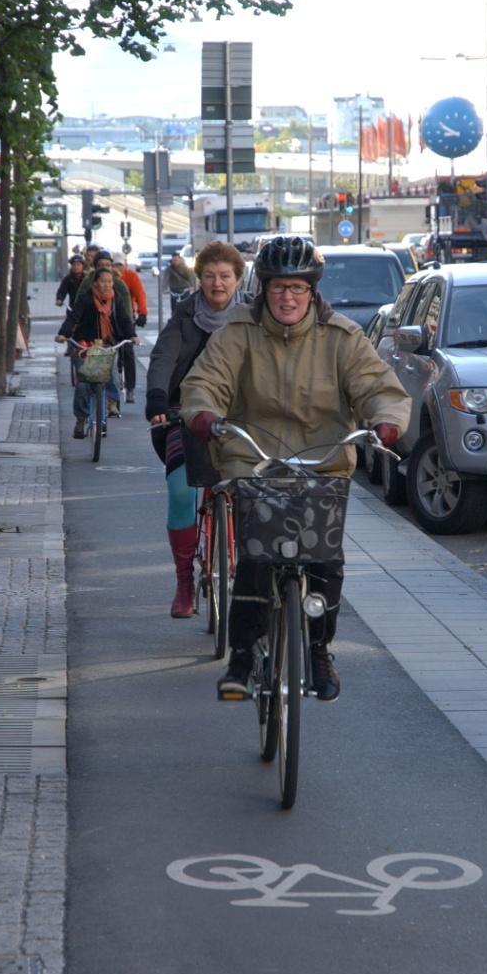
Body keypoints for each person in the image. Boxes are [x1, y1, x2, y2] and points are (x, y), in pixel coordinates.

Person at [181, 235, 411, 702]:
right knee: (256, 559)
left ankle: (319, 647)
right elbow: (206, 381)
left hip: (322, 461)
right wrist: (204, 413)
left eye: (298, 288)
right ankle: (243, 656)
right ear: (263, 289)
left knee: (327, 560)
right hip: (255, 459)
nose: (288, 297)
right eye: (279, 287)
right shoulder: (238, 332)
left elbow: (377, 387)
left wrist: (386, 421)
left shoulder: (342, 337)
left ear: (313, 292)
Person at [145, 242, 248, 618]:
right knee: (180, 489)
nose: (217, 284)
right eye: (209, 276)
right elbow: (164, 356)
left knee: (257, 489)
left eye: (225, 276)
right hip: (184, 410)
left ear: (238, 278)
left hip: (241, 412)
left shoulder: (254, 316)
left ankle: (252, 571)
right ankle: (185, 581)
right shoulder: (185, 313)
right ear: (198, 279)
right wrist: (157, 398)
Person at [55, 265, 136, 438]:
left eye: (109, 282)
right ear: (95, 283)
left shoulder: (116, 299)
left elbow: (124, 319)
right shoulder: (85, 299)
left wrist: (133, 336)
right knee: (84, 383)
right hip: (85, 345)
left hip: (106, 345)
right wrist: (63, 334)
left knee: (112, 374)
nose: (106, 285)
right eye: (102, 282)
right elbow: (73, 318)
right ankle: (81, 419)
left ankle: (111, 402)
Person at [111, 253, 147, 403]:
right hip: (109, 321)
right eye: (115, 265)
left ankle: (130, 387)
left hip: (127, 318)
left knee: (128, 352)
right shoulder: (106, 278)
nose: (117, 268)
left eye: (120, 265)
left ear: (124, 265)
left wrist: (142, 313)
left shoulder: (130, 276)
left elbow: (140, 294)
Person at [166, 251, 195, 316]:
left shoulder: (185, 267)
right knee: (173, 307)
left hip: (184, 289)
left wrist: (192, 286)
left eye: (176, 260)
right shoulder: (170, 268)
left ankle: (185, 320)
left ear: (179, 259)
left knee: (185, 306)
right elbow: (166, 278)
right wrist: (164, 288)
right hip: (174, 290)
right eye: (174, 260)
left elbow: (190, 276)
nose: (175, 262)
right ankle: (174, 320)